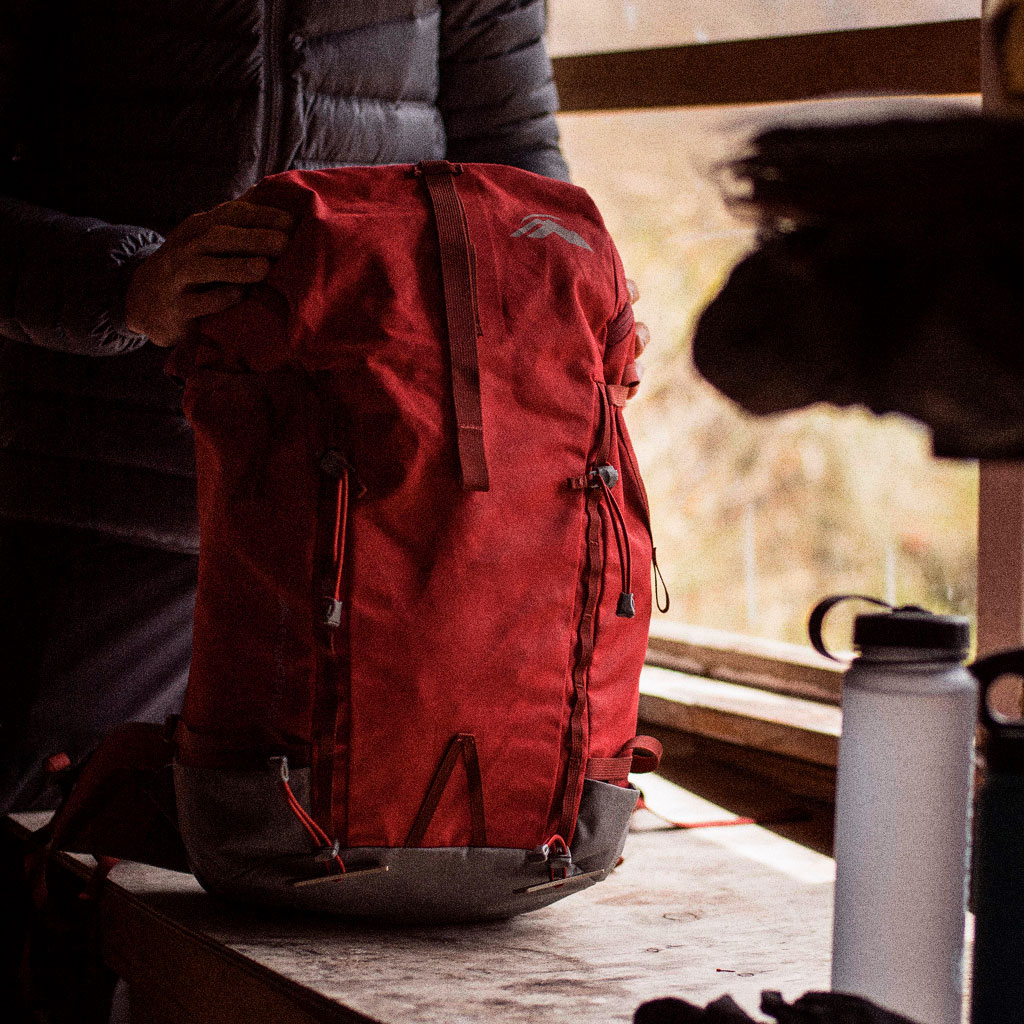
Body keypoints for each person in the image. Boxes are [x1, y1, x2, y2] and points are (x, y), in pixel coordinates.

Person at [0, 2, 648, 815]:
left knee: (344, 854)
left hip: (375, 509)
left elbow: (521, 182)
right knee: (45, 842)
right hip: (96, 488)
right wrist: (123, 287)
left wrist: (575, 301)